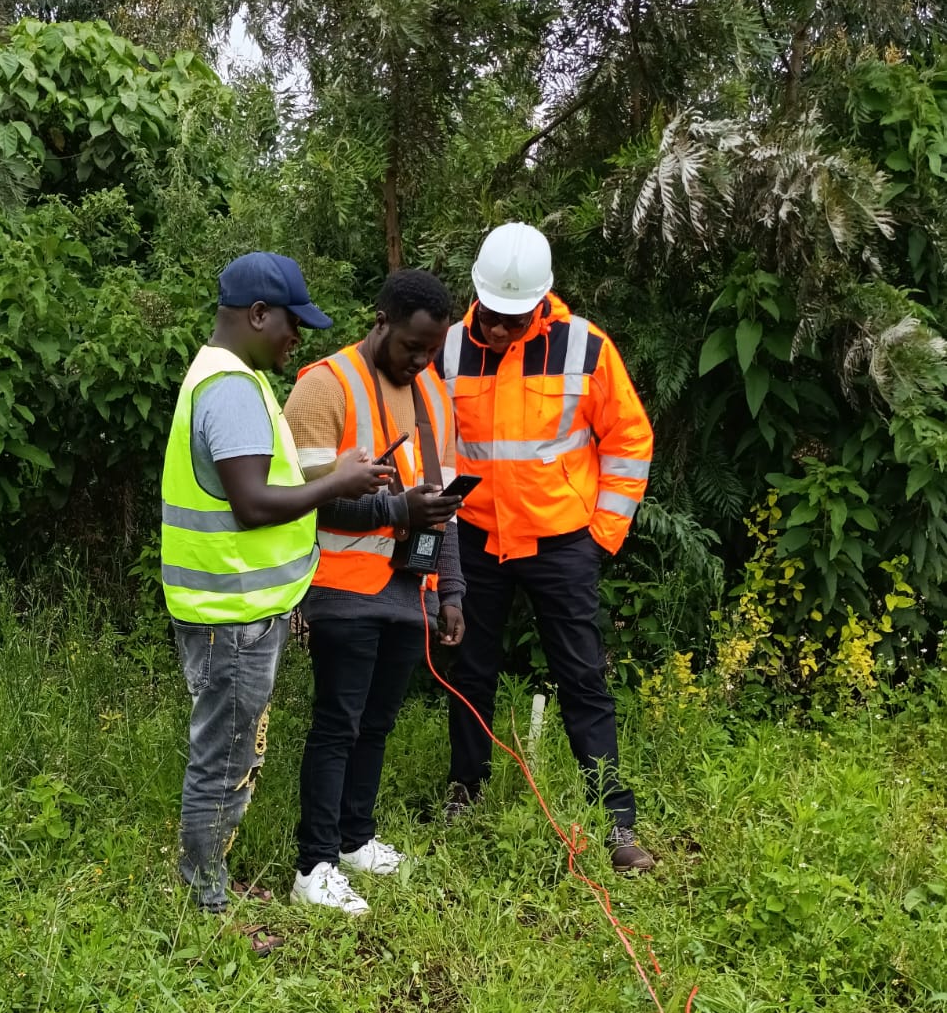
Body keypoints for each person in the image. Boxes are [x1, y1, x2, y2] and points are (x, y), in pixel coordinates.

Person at [161, 251, 391, 945]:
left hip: (240, 607)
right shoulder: (231, 389)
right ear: (257, 315)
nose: (299, 338)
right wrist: (340, 482)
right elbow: (255, 504)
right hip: (230, 613)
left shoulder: (236, 378)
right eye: (293, 324)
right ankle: (204, 905)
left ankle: (210, 881)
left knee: (233, 751)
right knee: (226, 758)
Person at [439, 223, 656, 872]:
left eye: (515, 317)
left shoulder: (585, 347)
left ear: (541, 301)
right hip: (476, 538)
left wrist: (600, 537)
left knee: (582, 676)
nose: (502, 330)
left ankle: (614, 821)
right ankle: (464, 795)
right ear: (477, 296)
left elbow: (628, 441)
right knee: (469, 673)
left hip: (563, 541)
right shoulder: (449, 349)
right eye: (493, 316)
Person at [283, 269, 465, 914]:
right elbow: (303, 504)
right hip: (341, 587)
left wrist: (453, 593)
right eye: (412, 346)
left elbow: (441, 506)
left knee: (377, 724)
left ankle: (356, 838)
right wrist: (397, 513)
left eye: (432, 350)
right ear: (381, 320)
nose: (420, 360)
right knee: (338, 724)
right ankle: (316, 863)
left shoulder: (432, 395)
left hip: (409, 593)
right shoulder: (323, 385)